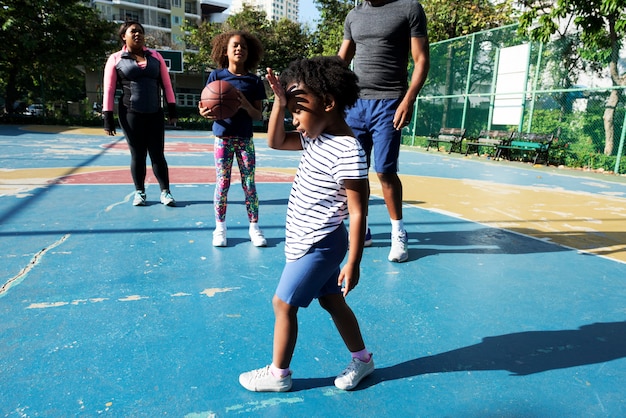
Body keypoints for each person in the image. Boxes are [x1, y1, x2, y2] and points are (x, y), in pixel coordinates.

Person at [238, 56, 374, 392]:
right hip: (305, 239)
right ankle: (363, 360)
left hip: (321, 242)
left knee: (283, 303)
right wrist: (280, 105)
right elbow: (274, 140)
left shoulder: (348, 150)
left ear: (327, 103)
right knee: (331, 301)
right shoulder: (316, 136)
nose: (294, 120)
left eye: (298, 111)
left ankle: (279, 374)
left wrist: (353, 262)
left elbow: (358, 211)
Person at [338, 0, 430, 262]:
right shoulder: (354, 15)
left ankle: (398, 232)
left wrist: (408, 99)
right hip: (355, 104)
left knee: (385, 171)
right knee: (355, 170)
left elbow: (421, 58)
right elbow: (342, 60)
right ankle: (363, 230)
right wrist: (314, 80)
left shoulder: (409, 8)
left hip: (390, 101)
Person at [199, 30, 267, 247]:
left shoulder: (254, 81)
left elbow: (258, 116)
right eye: (235, 46)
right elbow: (205, 106)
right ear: (225, 51)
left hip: (245, 138)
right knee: (223, 183)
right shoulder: (217, 77)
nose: (239, 49)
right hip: (223, 138)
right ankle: (220, 228)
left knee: (249, 184)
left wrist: (246, 106)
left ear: (249, 53)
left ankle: (254, 228)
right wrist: (204, 113)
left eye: (244, 47)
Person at [102, 20, 178, 207]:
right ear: (124, 36)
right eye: (133, 31)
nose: (138, 34)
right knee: (138, 154)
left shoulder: (156, 57)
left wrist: (172, 108)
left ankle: (165, 192)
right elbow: (109, 89)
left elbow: (167, 85)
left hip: (154, 112)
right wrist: (107, 116)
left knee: (157, 153)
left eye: (141, 32)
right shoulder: (115, 59)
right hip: (130, 113)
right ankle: (140, 192)